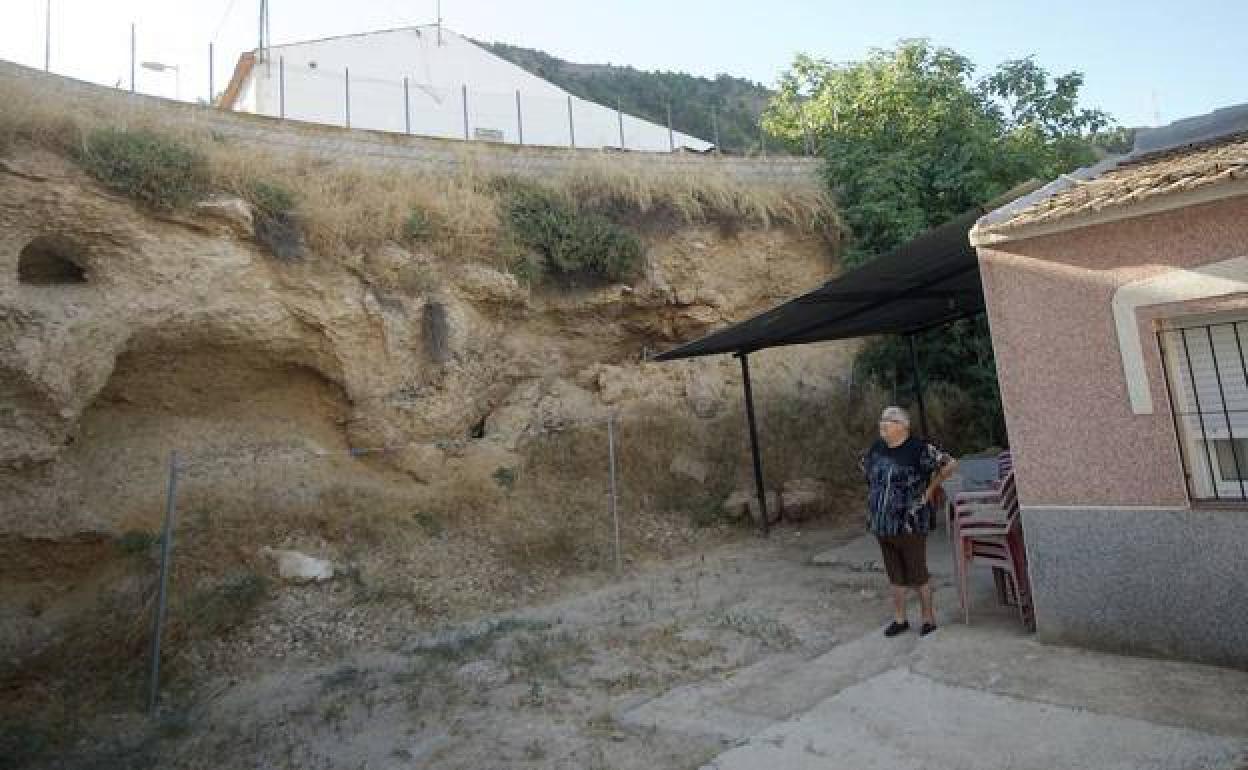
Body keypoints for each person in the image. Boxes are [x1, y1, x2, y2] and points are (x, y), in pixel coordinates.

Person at [860, 406, 956, 637]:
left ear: (903, 426)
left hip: (910, 523)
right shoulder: (877, 447)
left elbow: (950, 464)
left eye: (889, 420)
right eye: (881, 419)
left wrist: (931, 490)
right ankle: (900, 619)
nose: (883, 424)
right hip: (882, 523)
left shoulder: (919, 448)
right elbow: (865, 469)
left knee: (917, 572)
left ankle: (927, 618)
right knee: (895, 574)